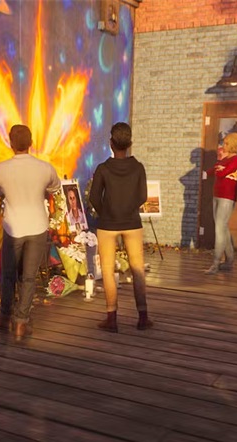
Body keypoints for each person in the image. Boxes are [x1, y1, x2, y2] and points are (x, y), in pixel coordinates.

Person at [0, 124, 61, 339]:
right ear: (31, 143)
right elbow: (56, 187)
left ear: (10, 143)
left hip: (13, 226)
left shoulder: (0, 169)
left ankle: (4, 318)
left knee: (9, 275)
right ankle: (21, 323)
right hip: (37, 226)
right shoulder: (45, 168)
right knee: (29, 277)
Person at [89, 122, 152, 332]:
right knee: (138, 269)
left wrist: (106, 213)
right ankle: (142, 317)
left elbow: (94, 197)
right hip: (132, 223)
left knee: (108, 270)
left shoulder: (103, 168)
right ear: (130, 143)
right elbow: (143, 196)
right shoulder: (138, 167)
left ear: (111, 143)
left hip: (108, 225)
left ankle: (112, 318)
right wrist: (129, 209)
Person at [205, 132, 237, 275]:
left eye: (226, 143)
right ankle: (229, 261)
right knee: (223, 228)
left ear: (232, 144)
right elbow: (211, 171)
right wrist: (218, 167)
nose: (223, 145)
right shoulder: (224, 159)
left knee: (219, 229)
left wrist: (220, 169)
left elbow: (220, 173)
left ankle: (216, 263)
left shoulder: (235, 160)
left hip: (227, 197)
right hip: (217, 195)